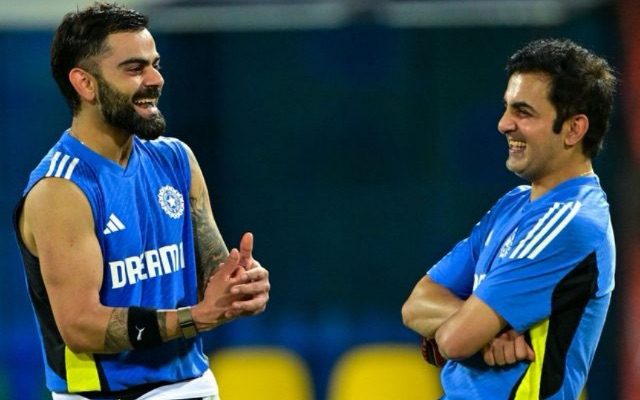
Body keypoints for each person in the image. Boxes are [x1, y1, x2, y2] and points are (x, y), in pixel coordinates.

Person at [12, 3, 270, 399]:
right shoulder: (61, 189)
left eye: (155, 63)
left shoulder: (176, 159)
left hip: (192, 384)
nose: (155, 79)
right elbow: (80, 327)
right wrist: (194, 319)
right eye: (134, 68)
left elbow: (214, 275)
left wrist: (239, 287)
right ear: (85, 84)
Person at [402, 38, 616, 399]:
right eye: (506, 108)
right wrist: (492, 334)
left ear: (574, 129)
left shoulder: (572, 222)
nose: (504, 124)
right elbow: (417, 302)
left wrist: (469, 330)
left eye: (524, 112)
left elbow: (454, 341)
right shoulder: (513, 204)